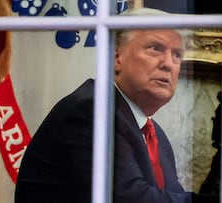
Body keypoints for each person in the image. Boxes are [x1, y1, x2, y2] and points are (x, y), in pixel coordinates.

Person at [15, 7, 197, 203]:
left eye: (177, 55)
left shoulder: (155, 135)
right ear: (116, 57)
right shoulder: (89, 113)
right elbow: (130, 199)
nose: (168, 63)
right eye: (155, 48)